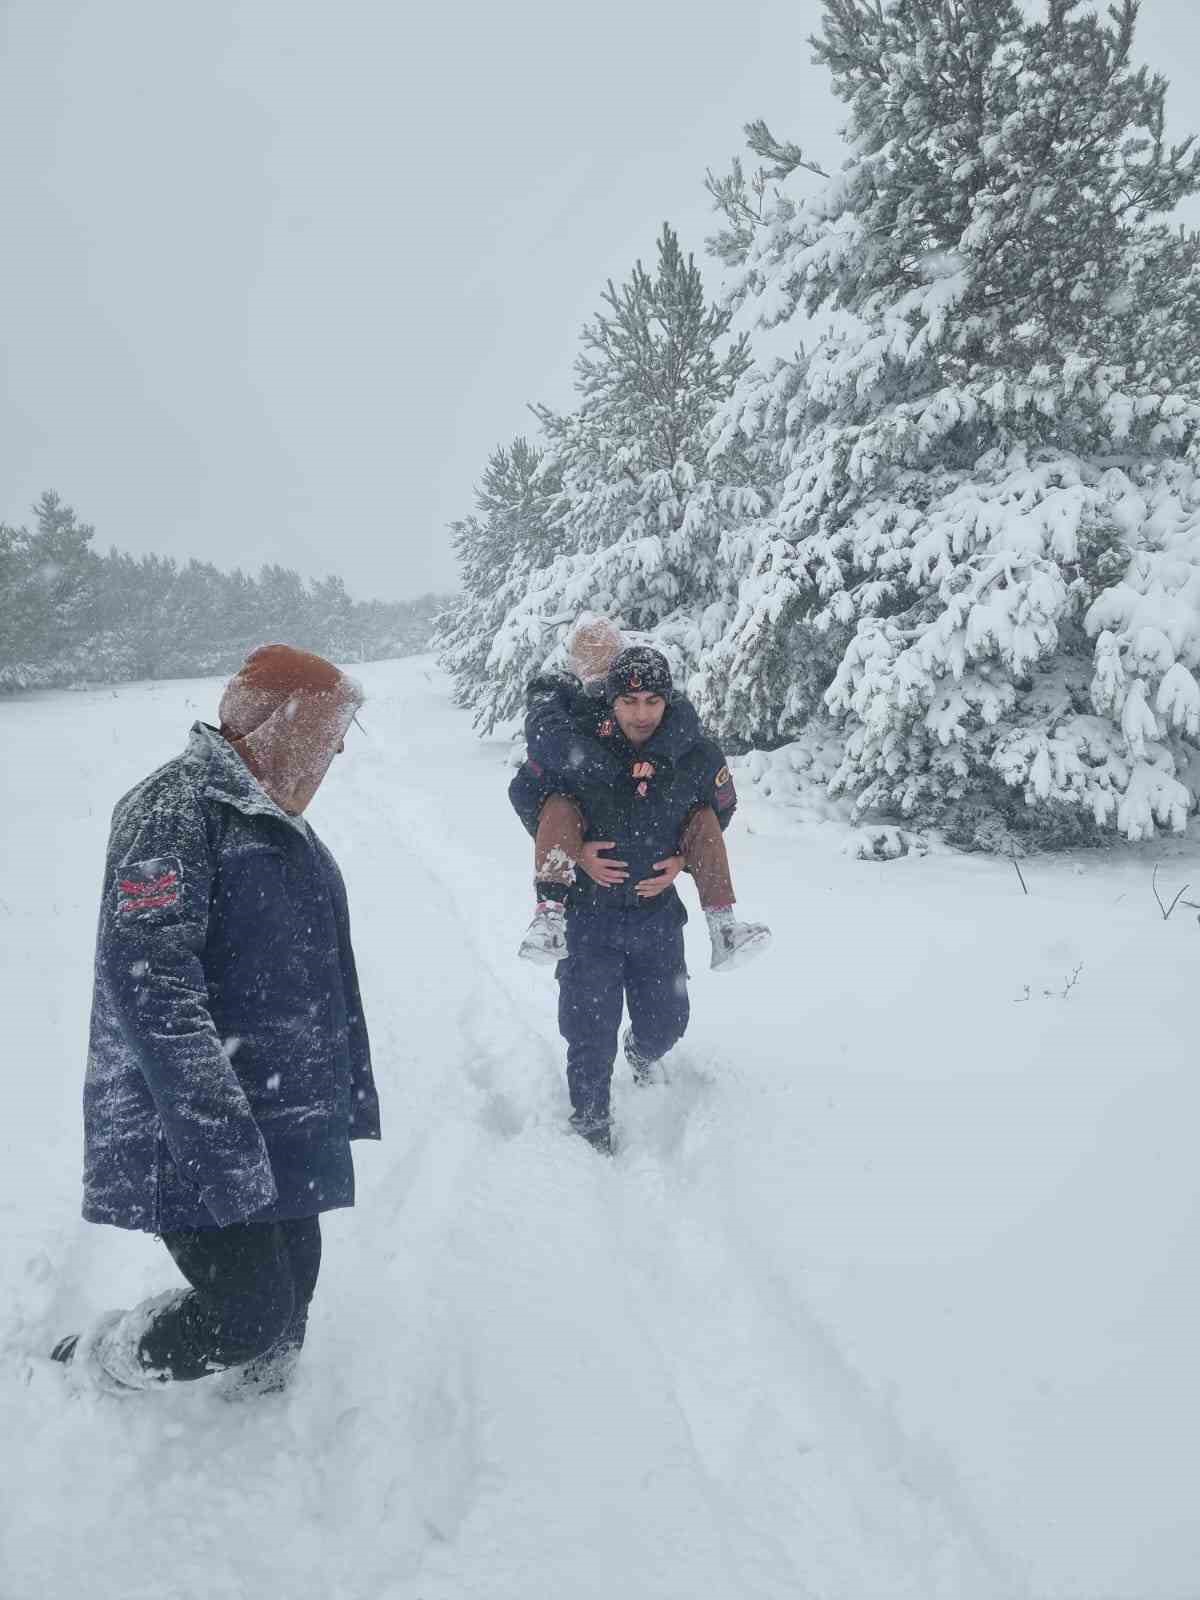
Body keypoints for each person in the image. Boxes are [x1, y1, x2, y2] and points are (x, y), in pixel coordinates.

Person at [51, 644, 381, 1396]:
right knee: (248, 1312)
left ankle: (260, 1418)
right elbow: (153, 990)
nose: (337, 750)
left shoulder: (275, 816)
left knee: (293, 1294)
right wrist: (219, 1136)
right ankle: (102, 1361)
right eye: (328, 730)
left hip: (280, 1114)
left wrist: (333, 1097)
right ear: (278, 725)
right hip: (199, 1124)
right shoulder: (172, 813)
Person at [509, 644, 767, 1154]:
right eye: (629, 701)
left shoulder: (694, 753)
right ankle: (590, 1125)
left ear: (667, 701)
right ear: (612, 702)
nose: (641, 713)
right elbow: (524, 793)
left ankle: (647, 1045)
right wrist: (578, 853)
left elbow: (721, 809)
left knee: (666, 1024)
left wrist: (684, 860)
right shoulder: (580, 745)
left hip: (656, 918)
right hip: (588, 918)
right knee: (589, 1033)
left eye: (652, 701)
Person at [515, 618, 770, 972]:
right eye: (590, 668)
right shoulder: (571, 710)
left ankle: (723, 926)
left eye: (605, 667)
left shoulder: (663, 715)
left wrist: (683, 857)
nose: (640, 712)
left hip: (654, 910)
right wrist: (577, 845)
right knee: (558, 806)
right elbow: (533, 776)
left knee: (702, 817)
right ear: (575, 666)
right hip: (589, 908)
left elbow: (686, 725)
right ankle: (549, 915)